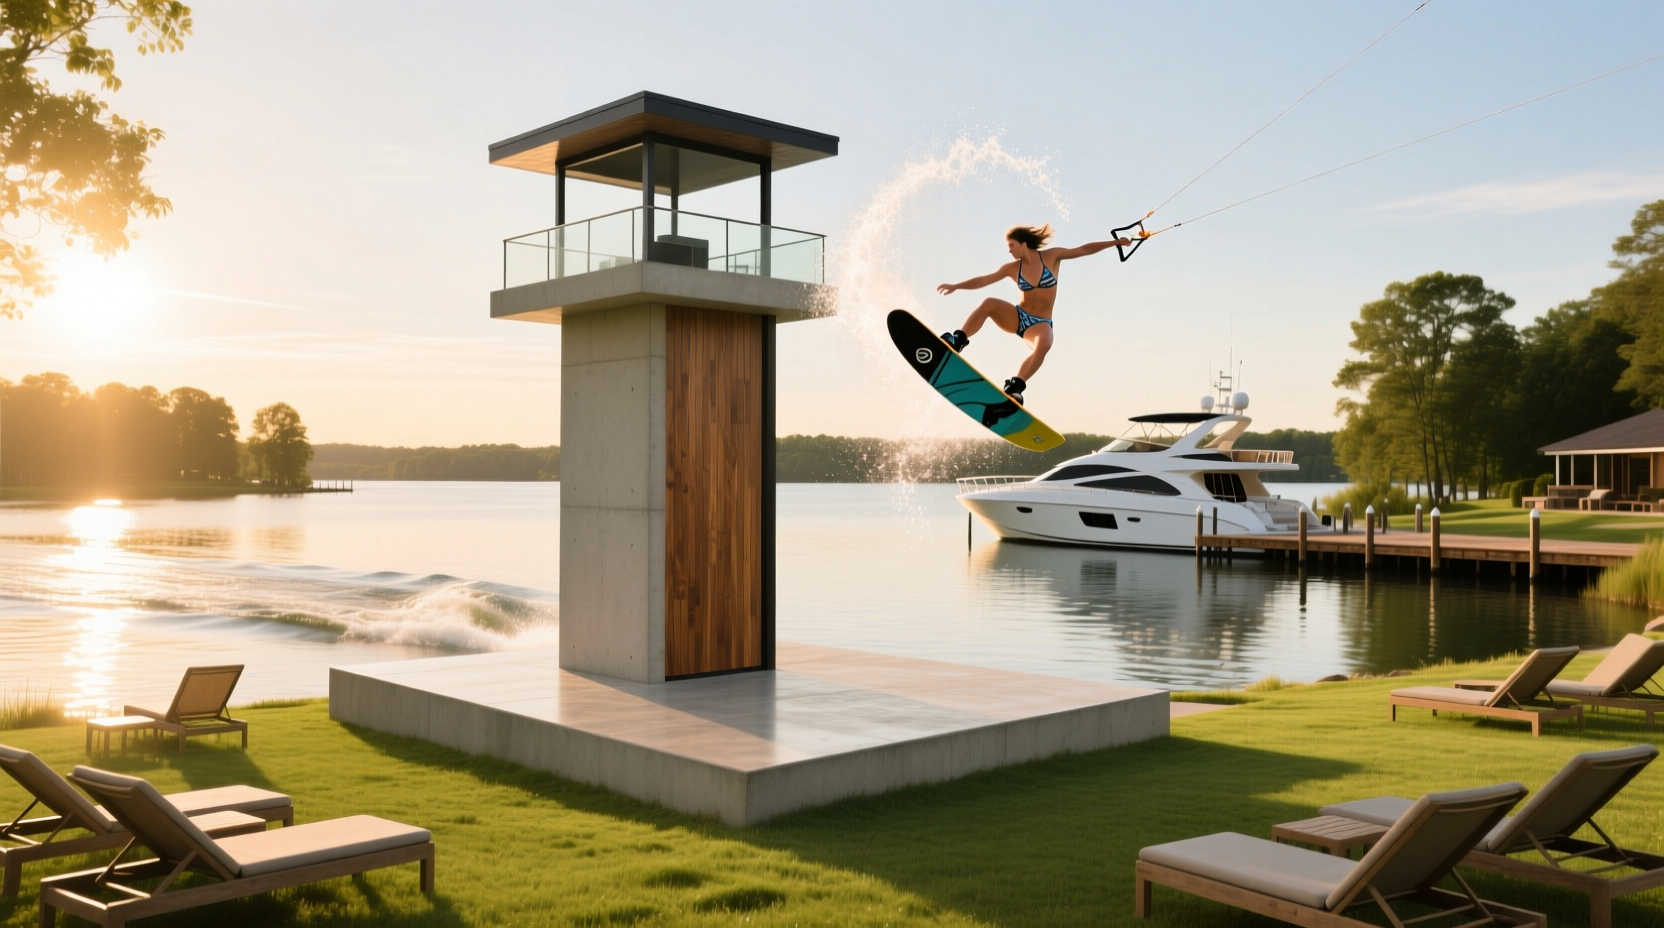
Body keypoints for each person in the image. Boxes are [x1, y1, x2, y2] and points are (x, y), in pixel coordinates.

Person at [937, 224, 1131, 404]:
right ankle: (958, 340)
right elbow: (984, 280)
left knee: (1045, 343)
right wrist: (956, 286)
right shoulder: (1011, 268)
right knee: (989, 303)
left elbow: (1083, 249)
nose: (1009, 250)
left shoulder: (1052, 256)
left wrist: (1115, 243)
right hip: (1018, 317)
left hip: (1039, 324)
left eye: (1012, 245)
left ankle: (1015, 386)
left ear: (1023, 244)